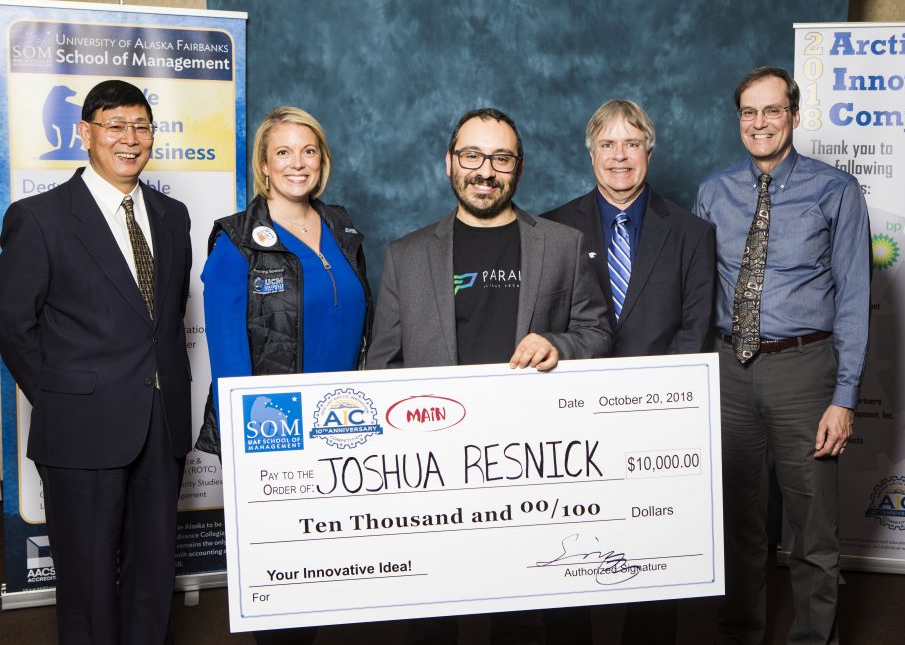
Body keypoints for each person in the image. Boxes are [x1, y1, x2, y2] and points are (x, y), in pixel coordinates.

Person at [366, 107, 613, 644]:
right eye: (472, 156)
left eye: (501, 158)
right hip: (434, 466)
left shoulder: (561, 245)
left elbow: (597, 333)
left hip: (533, 465)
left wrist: (558, 344)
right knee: (432, 613)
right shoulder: (407, 255)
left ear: (518, 167)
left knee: (526, 609)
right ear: (449, 163)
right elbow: (382, 366)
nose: (485, 171)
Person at [0, 80, 193, 644]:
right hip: (80, 429)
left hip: (161, 425)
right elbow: (12, 323)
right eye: (115, 126)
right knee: (86, 584)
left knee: (153, 574)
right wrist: (63, 399)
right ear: (85, 133)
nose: (130, 139)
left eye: (141, 127)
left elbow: (162, 322)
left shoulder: (173, 215)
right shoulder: (39, 217)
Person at [694, 66, 870, 644]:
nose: (760, 122)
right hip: (729, 371)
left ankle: (814, 639)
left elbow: (854, 298)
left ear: (794, 116)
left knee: (813, 529)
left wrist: (844, 398)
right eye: (749, 112)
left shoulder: (836, 190)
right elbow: (697, 291)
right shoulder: (713, 192)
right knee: (737, 524)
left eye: (772, 110)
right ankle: (740, 634)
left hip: (804, 371)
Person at [196, 106, 372, 645]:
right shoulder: (236, 242)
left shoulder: (342, 227)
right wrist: (256, 451)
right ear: (264, 166)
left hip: (342, 428)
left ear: (323, 160)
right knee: (283, 579)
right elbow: (229, 362)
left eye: (308, 151)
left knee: (324, 572)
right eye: (283, 152)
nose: (298, 163)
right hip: (277, 433)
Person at [542, 98, 716, 643]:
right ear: (590, 153)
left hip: (655, 420)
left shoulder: (691, 232)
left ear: (649, 152)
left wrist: (657, 407)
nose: (620, 156)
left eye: (632, 143)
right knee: (572, 549)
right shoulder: (552, 228)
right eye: (608, 144)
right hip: (572, 419)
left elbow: (695, 332)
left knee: (652, 552)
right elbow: (547, 324)